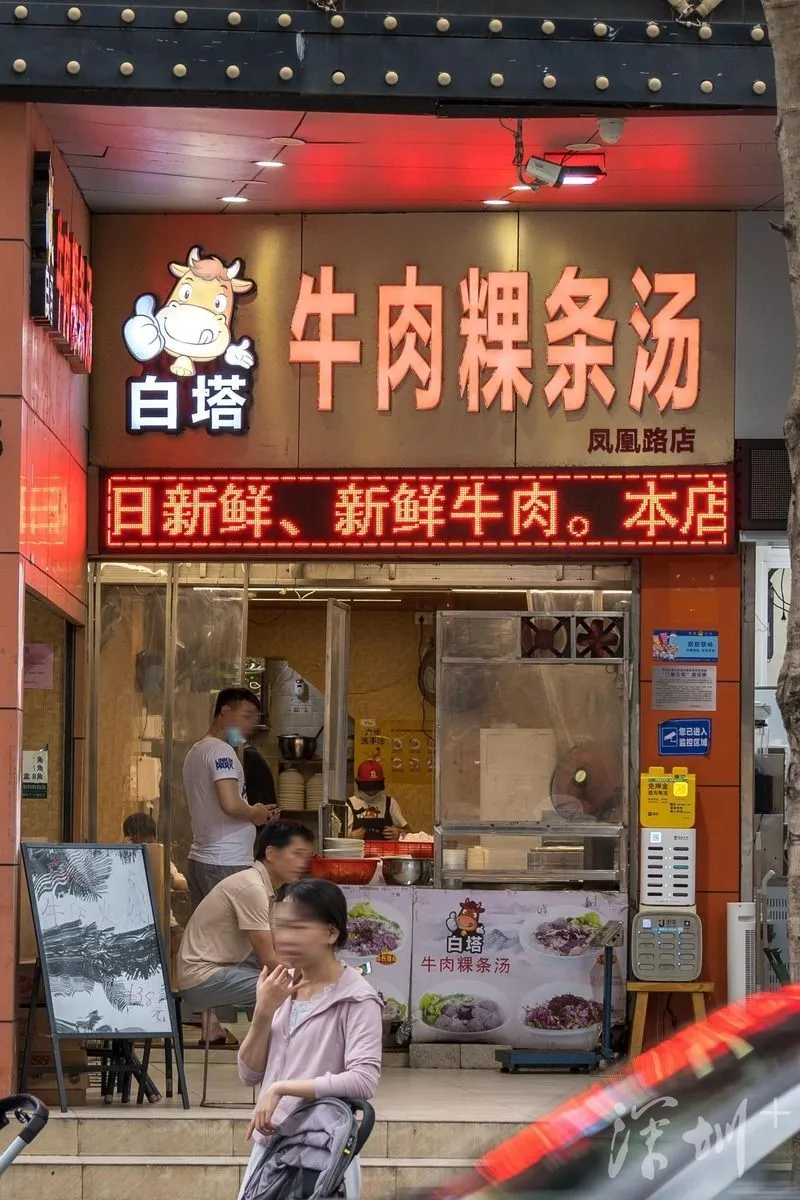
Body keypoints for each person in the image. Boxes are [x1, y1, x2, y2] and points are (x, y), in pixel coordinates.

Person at [237, 879, 383, 1200]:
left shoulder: (357, 998)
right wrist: (263, 1013)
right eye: (280, 926)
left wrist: (282, 1087)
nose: (284, 938)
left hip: (322, 1153)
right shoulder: (280, 986)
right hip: (271, 1147)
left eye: (298, 927)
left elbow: (363, 1080)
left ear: (331, 933)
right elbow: (248, 1074)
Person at [177, 820, 314, 1045]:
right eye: (296, 854)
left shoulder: (261, 886)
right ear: (270, 853)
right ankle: (285, 1056)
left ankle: (280, 1052)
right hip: (203, 979)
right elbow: (269, 960)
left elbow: (278, 950)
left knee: (297, 983)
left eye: (306, 856)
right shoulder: (252, 888)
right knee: (293, 989)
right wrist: (312, 979)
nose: (303, 863)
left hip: (211, 973)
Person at [183, 686, 277, 913]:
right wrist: (255, 813)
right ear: (224, 711)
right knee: (235, 941)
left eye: (253, 719)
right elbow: (231, 804)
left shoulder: (196, 751)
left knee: (210, 937)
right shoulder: (221, 752)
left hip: (203, 859)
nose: (249, 725)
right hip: (225, 861)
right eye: (245, 716)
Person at [122, 811, 188, 926]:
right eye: (139, 844)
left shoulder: (160, 859)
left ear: (155, 840)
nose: (146, 848)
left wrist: (169, 879)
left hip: (163, 921)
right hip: (131, 922)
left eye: (149, 843)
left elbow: (184, 884)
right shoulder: (121, 860)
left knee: (181, 940)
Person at [345, 760, 409, 841]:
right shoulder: (349, 805)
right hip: (357, 852)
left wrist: (400, 833)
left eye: (375, 788)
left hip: (385, 852)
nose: (371, 792)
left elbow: (410, 832)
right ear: (359, 784)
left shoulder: (390, 803)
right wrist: (350, 837)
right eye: (368, 788)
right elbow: (335, 837)